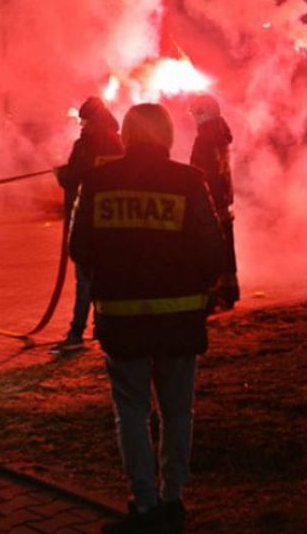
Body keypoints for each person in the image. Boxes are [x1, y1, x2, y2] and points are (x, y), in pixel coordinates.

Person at [70, 103, 225, 534]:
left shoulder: (97, 182)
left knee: (132, 412)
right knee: (178, 412)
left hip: (122, 319)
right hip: (179, 319)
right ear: (167, 135)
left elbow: (79, 247)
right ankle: (173, 499)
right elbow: (213, 249)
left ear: (126, 135)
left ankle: (144, 503)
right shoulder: (188, 181)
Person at [51, 95, 123, 353]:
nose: (81, 125)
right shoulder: (117, 142)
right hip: (112, 217)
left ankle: (76, 334)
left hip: (88, 217)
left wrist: (61, 173)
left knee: (84, 277)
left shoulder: (85, 144)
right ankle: (102, 325)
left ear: (91, 120)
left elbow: (76, 177)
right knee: (105, 275)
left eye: (83, 121)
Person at [188, 93, 239, 311]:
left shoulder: (203, 140)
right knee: (226, 248)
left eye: (195, 115)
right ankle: (229, 292)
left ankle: (215, 295)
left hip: (210, 203)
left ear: (202, 114)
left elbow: (197, 174)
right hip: (224, 201)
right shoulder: (220, 136)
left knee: (210, 249)